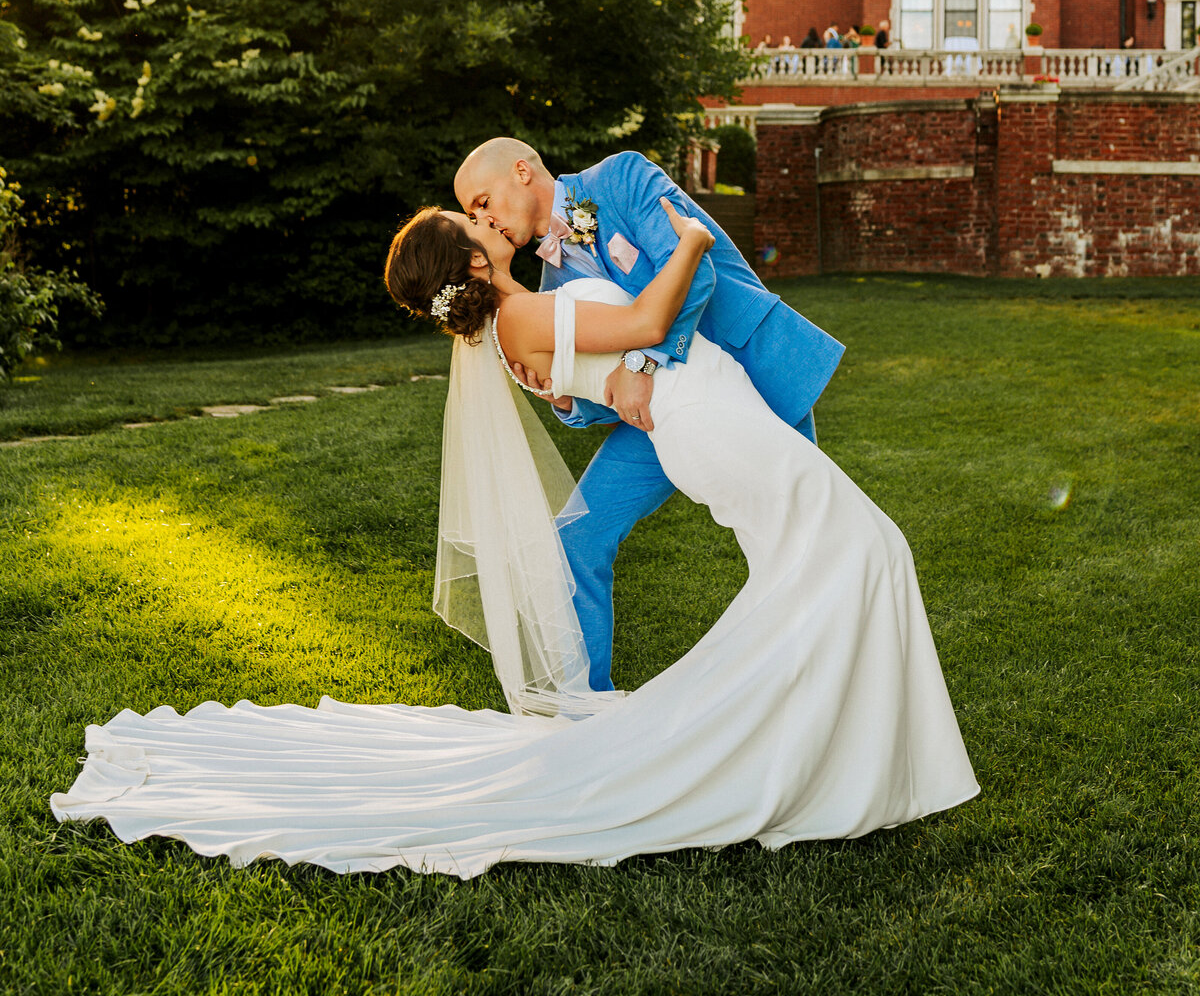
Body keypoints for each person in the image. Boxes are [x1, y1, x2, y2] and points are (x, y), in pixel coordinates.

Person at [51, 200, 978, 875]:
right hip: (705, 426)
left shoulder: (500, 334)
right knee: (860, 553)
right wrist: (693, 235)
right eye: (477, 224)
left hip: (696, 421)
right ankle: (809, 758)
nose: (490, 222)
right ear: (477, 263)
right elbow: (650, 322)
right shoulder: (525, 313)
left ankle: (826, 750)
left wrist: (613, 376)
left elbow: (594, 373)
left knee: (833, 563)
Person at [451, 140, 843, 692]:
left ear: (522, 170)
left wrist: (642, 362)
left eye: (484, 201)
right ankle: (586, 707)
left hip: (748, 369)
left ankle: (821, 687)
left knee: (801, 538)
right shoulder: (548, 288)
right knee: (578, 540)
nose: (484, 218)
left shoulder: (621, 178)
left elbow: (694, 265)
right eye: (473, 216)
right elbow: (602, 394)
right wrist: (566, 401)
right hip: (663, 418)